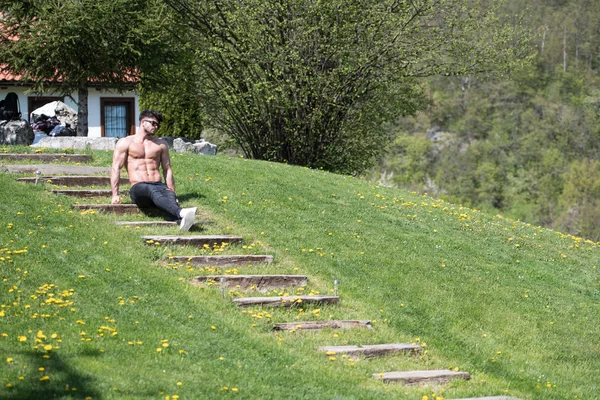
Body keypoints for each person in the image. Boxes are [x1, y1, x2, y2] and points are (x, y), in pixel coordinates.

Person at [110, 110, 197, 231]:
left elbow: (167, 169)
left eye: (157, 125)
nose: (156, 127)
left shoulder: (160, 144)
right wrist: (115, 195)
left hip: (158, 184)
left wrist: (172, 193)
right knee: (151, 189)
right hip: (139, 188)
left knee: (168, 193)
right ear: (143, 122)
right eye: (153, 123)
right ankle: (182, 213)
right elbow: (116, 168)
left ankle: (183, 219)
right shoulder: (125, 142)